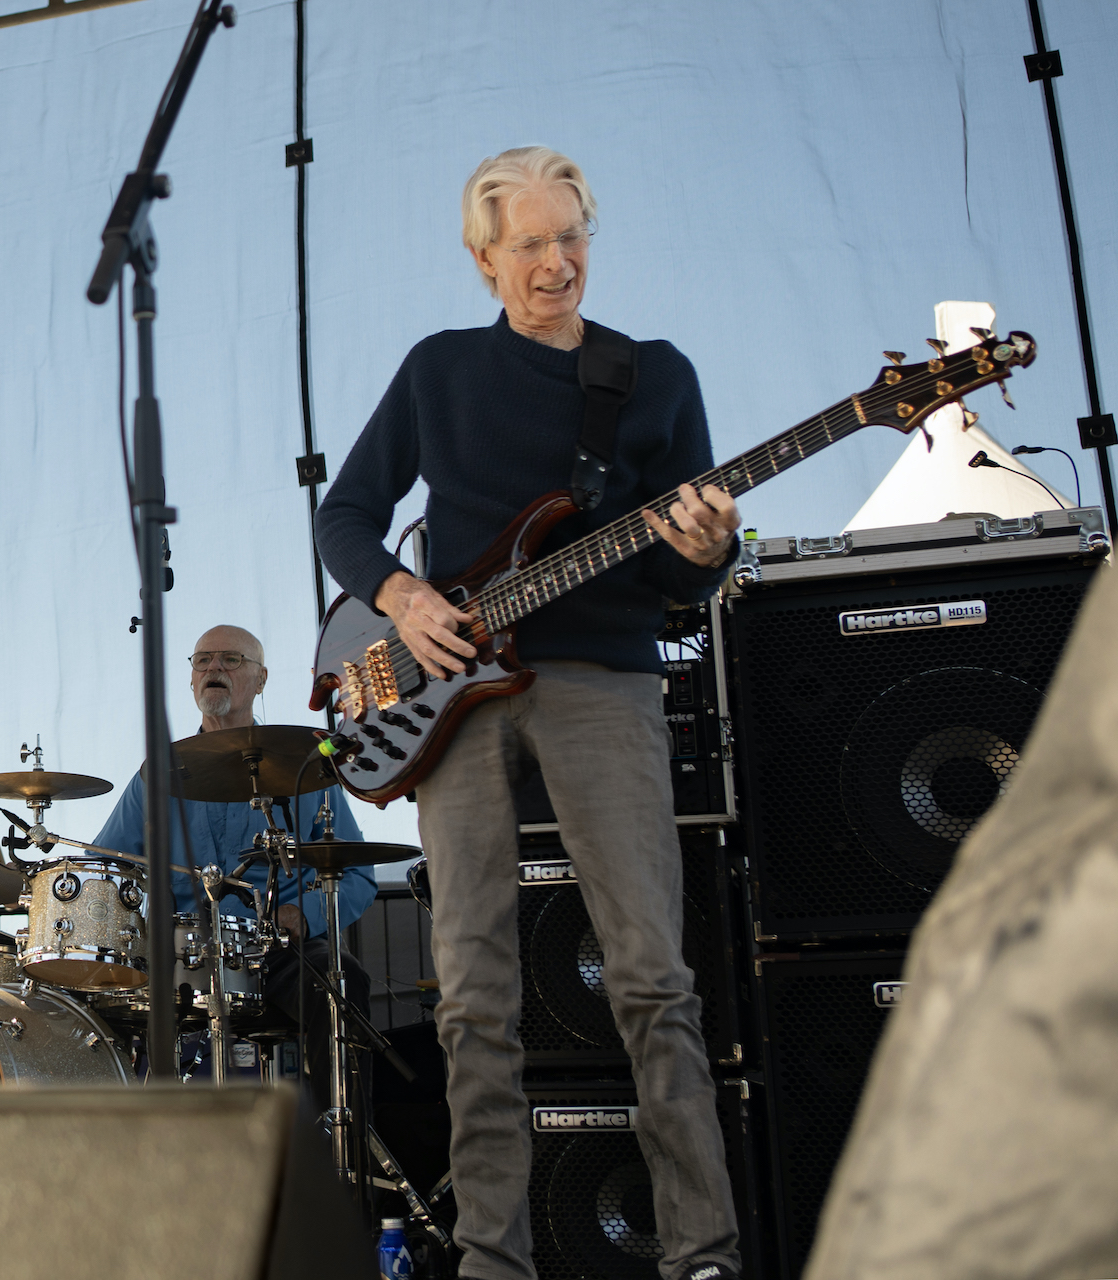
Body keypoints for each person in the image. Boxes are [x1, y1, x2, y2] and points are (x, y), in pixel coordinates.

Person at [314, 148, 743, 1280]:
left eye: (573, 239)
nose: (557, 264)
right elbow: (348, 513)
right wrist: (403, 600)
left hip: (603, 677)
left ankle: (702, 1250)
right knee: (472, 992)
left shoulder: (653, 377)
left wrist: (707, 552)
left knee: (653, 974)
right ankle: (493, 1259)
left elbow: (685, 577)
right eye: (531, 244)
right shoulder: (440, 369)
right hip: (452, 698)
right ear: (484, 258)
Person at [92, 624, 377, 1086]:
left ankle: (344, 1143)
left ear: (261, 680)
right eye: (202, 660)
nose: (214, 668)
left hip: (276, 952)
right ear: (190, 679)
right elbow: (103, 866)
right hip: (178, 957)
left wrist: (301, 916)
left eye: (231, 659)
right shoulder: (156, 776)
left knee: (340, 985)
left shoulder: (305, 767)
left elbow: (358, 877)